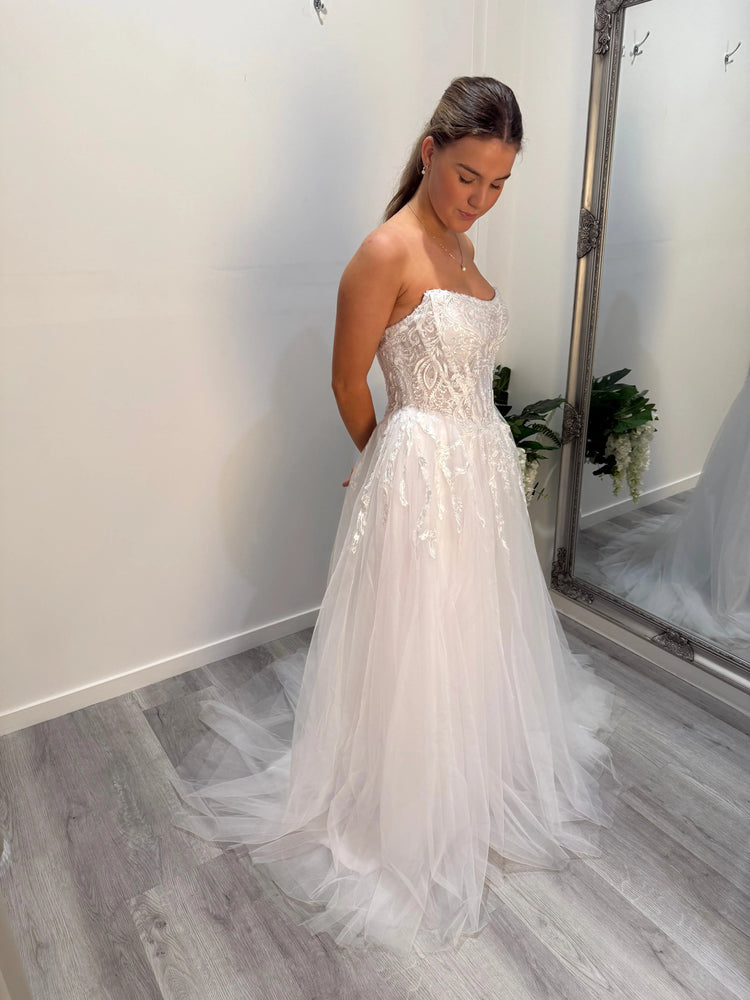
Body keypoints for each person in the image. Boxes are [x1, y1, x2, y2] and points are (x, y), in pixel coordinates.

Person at [173, 76, 622, 957]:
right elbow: (346, 381)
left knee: (470, 622)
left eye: (497, 186)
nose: (480, 201)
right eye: (466, 178)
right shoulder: (386, 250)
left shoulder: (458, 249)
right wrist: (383, 457)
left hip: (479, 466)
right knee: (415, 630)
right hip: (419, 470)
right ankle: (408, 796)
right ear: (429, 153)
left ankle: (471, 770)